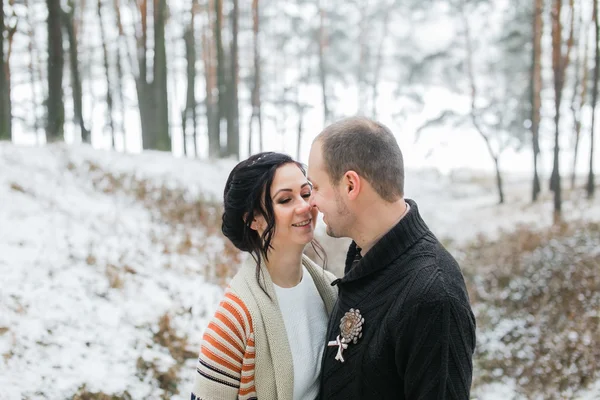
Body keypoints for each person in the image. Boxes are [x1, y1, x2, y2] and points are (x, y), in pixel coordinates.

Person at [307, 117, 476, 399]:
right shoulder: (366, 258)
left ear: (350, 185)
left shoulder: (434, 297)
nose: (311, 201)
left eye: (316, 187)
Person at [191, 152, 338, 400]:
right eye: (285, 200)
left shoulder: (329, 289)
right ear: (253, 220)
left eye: (305, 194)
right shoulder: (234, 320)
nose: (304, 206)